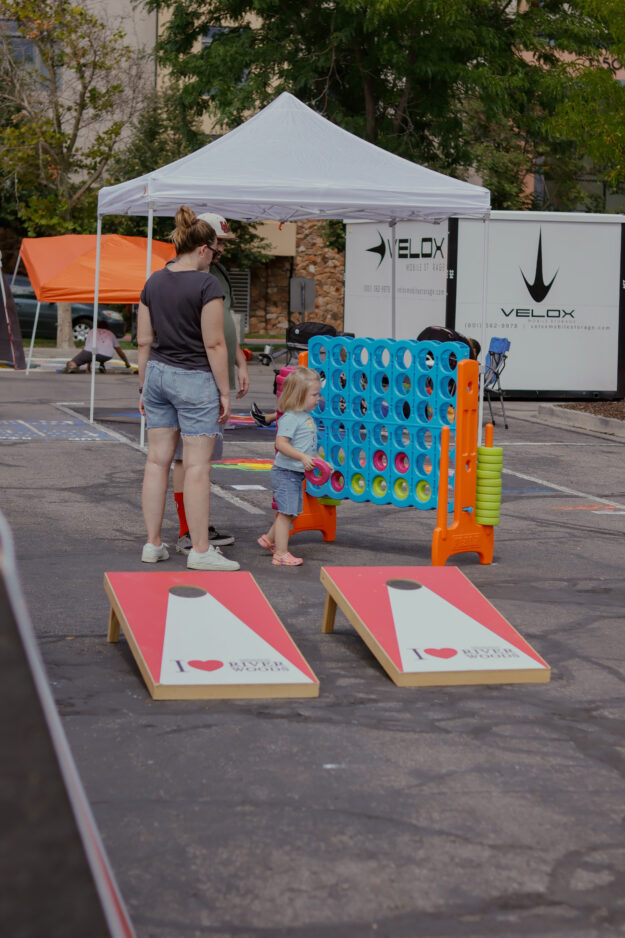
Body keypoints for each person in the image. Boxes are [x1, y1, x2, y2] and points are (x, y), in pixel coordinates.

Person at [137, 205, 239, 572]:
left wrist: (141, 386)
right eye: (215, 250)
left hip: (158, 375)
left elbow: (144, 340)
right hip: (194, 378)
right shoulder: (206, 284)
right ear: (201, 248)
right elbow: (215, 344)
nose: (216, 256)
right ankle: (199, 550)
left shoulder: (154, 281)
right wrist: (224, 392)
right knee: (197, 467)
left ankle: (152, 544)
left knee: (156, 462)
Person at [171, 211, 250, 555]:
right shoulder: (191, 275)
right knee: (187, 459)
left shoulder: (214, 274)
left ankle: (194, 526)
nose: (222, 250)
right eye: (219, 243)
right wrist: (222, 386)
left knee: (192, 459)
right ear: (205, 242)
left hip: (205, 373)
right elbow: (208, 336)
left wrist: (240, 359)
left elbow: (224, 327)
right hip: (196, 376)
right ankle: (190, 532)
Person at [257, 366, 321, 567]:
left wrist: (320, 462)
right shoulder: (291, 418)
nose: (318, 398)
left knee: (290, 511)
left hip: (295, 473)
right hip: (286, 473)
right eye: (314, 395)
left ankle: (268, 539)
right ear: (300, 395)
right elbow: (281, 444)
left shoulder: (306, 417)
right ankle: (281, 554)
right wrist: (302, 457)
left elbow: (308, 448)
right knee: (286, 513)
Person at [62, 322, 131, 373]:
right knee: (99, 351)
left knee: (84, 356)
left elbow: (88, 347)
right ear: (107, 327)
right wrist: (126, 363)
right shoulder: (110, 333)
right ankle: (101, 364)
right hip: (107, 355)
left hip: (91, 353)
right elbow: (119, 351)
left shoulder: (92, 331)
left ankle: (72, 367)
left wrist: (88, 366)